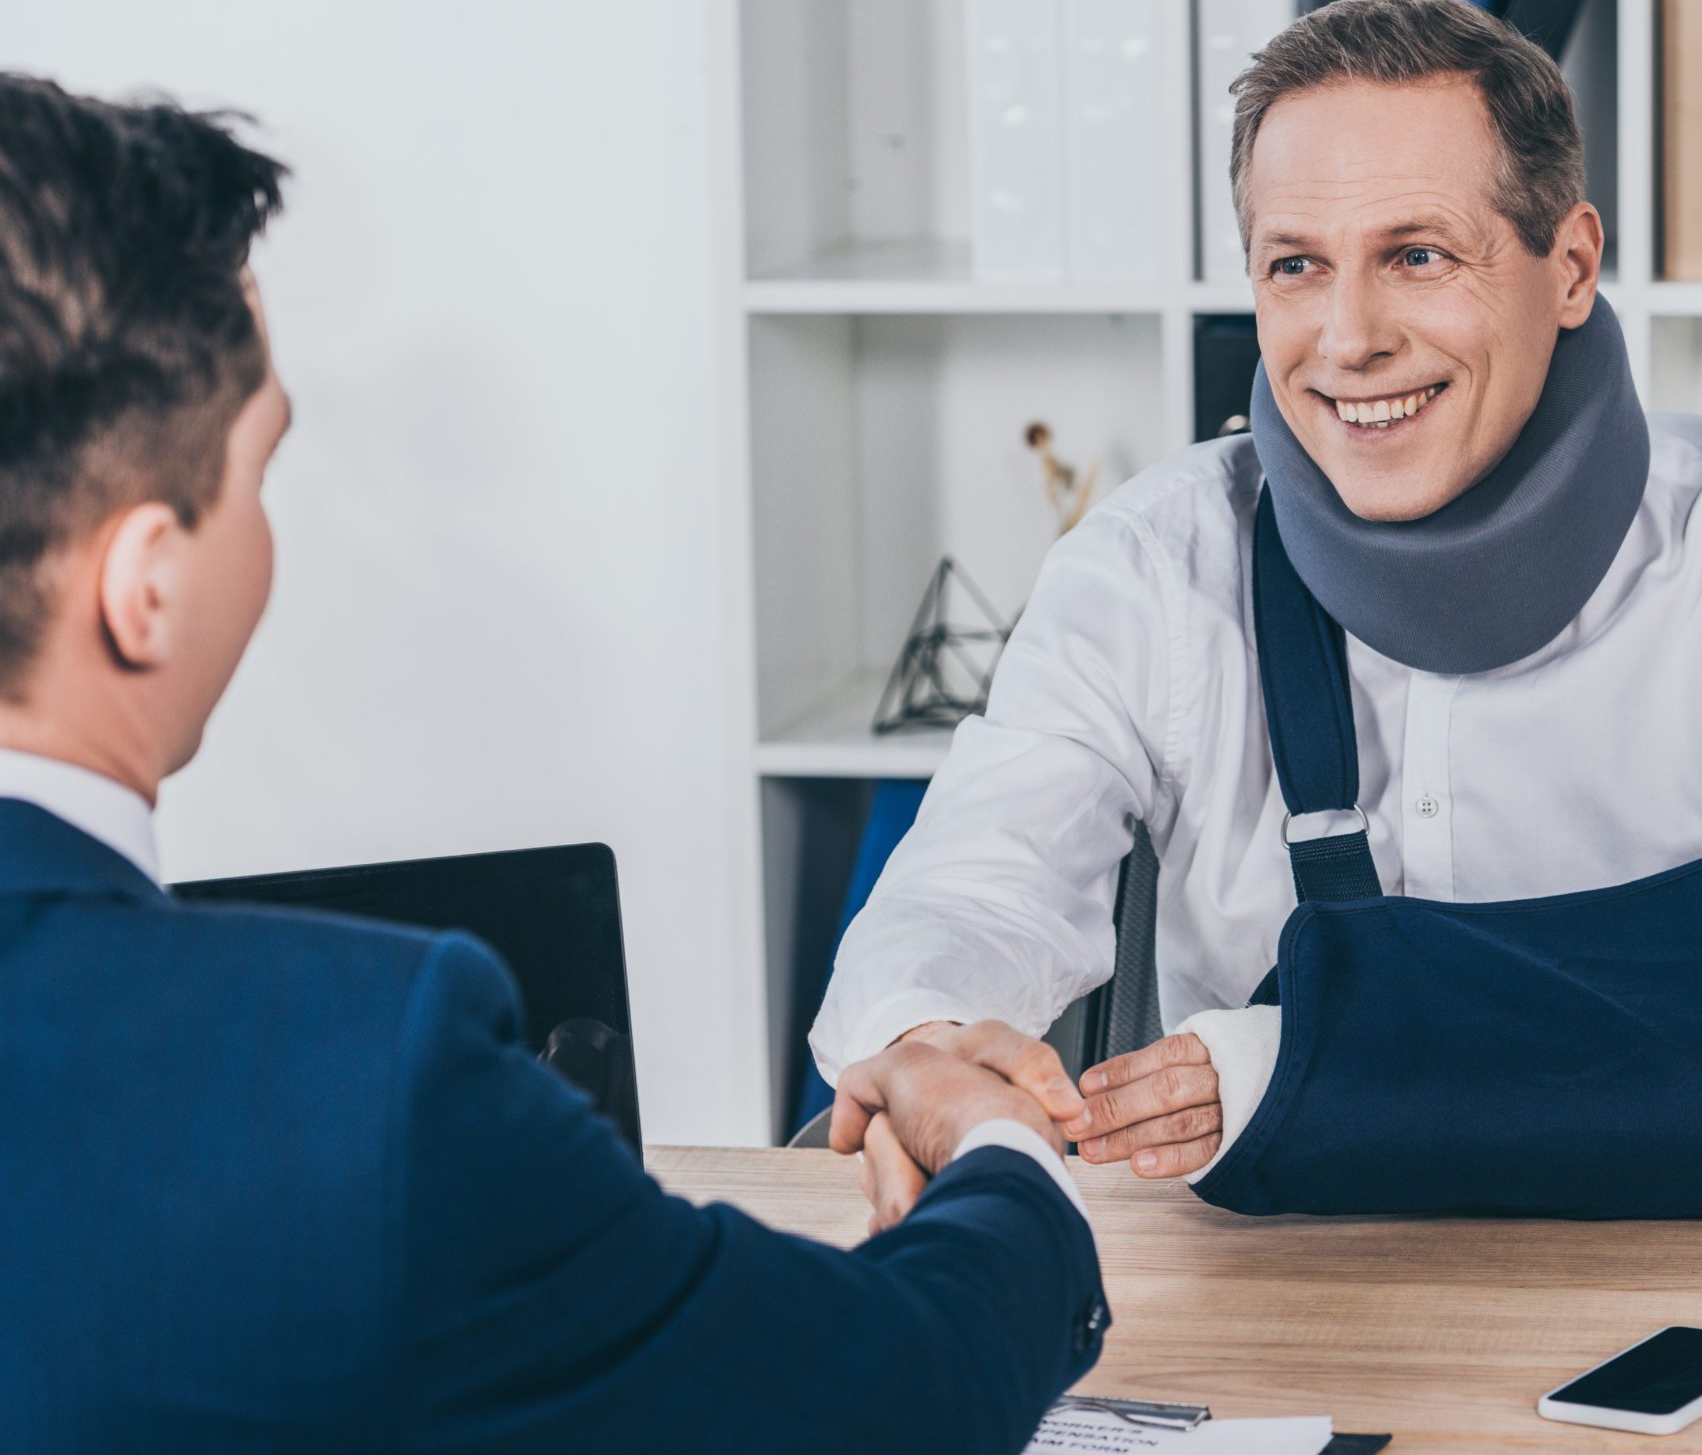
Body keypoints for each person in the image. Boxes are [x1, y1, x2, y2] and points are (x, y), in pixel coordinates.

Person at [0, 75, 1106, 1453]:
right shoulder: (351, 1079)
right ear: (145, 586)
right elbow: (898, 1394)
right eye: (258, 471)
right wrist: (1004, 1159)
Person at [811, 0, 1702, 1211]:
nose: (1349, 336)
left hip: (1693, 1270)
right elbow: (978, 876)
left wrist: (1308, 1060)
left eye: (1417, 255)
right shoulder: (1149, 568)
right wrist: (924, 1032)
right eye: (1296, 266)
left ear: (1570, 264)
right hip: (1275, 1290)